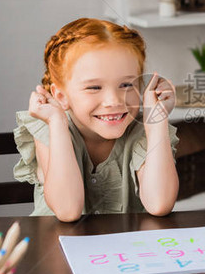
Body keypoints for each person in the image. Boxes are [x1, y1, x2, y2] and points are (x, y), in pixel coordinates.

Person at [14, 18, 179, 221]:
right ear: (61, 96)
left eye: (126, 85)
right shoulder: (49, 128)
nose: (113, 101)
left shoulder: (142, 130)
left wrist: (157, 122)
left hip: (126, 251)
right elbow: (67, 210)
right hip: (58, 249)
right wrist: (57, 123)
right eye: (94, 87)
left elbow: (159, 203)